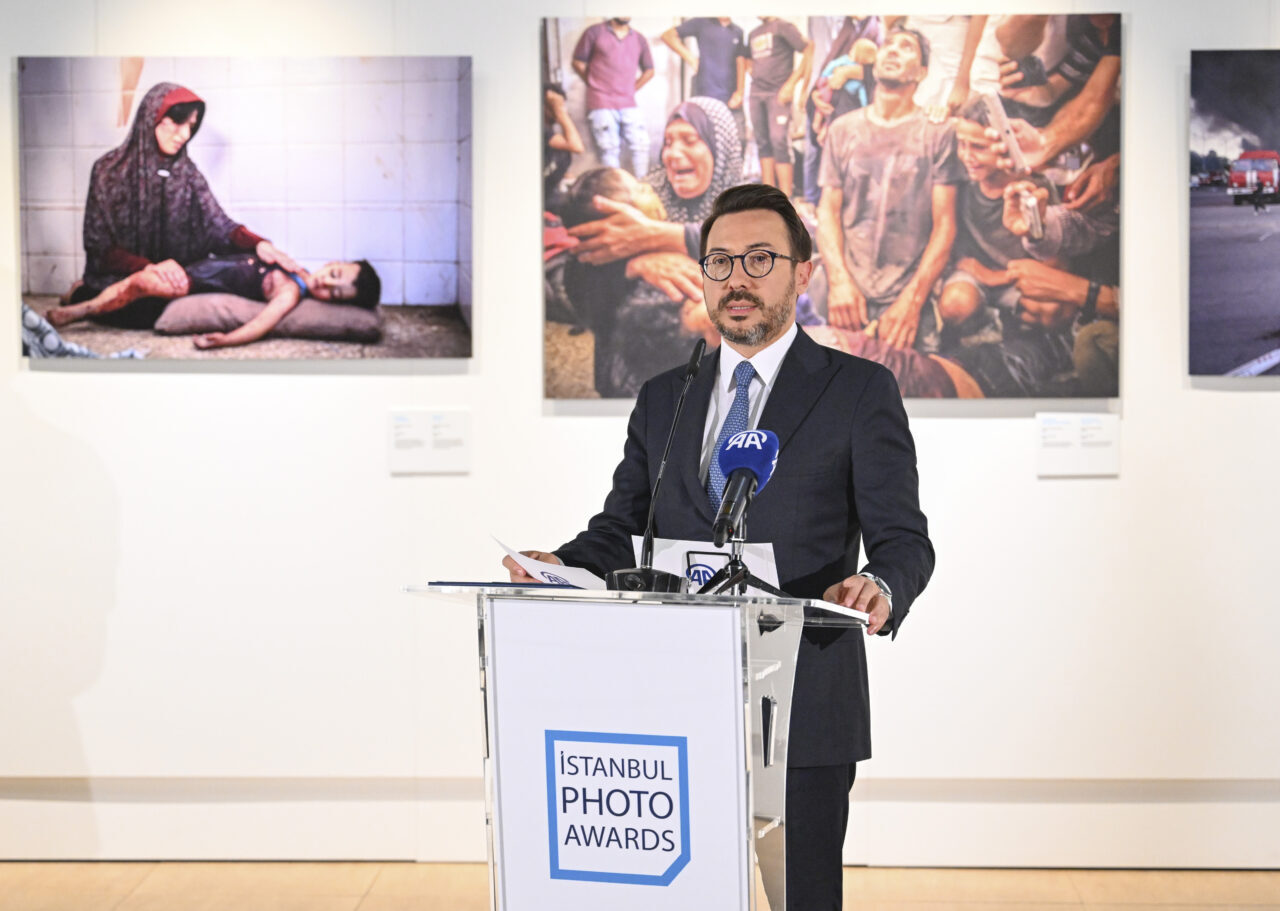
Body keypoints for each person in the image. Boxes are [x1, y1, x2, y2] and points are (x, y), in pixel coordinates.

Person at [509, 183, 934, 909]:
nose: (737, 278)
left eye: (760, 258)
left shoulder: (859, 391)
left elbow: (904, 538)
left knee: (800, 897)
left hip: (802, 702)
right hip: (677, 700)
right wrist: (566, 561)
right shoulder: (663, 397)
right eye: (720, 262)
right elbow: (625, 523)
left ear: (804, 272)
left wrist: (881, 585)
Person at [66, 82, 300, 329]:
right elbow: (99, 248)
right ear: (152, 117)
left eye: (191, 126)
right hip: (123, 278)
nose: (185, 135)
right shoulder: (108, 171)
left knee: (240, 271)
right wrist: (150, 267)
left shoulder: (188, 174)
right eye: (178, 123)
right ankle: (81, 296)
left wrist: (258, 244)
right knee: (141, 309)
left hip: (173, 280)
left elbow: (219, 226)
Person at [816, 27, 966, 352]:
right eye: (887, 45)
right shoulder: (842, 130)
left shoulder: (936, 134)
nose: (893, 50)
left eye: (907, 46)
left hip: (906, 293)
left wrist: (912, 301)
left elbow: (945, 224)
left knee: (906, 390)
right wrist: (839, 281)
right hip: (846, 289)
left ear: (922, 72)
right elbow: (827, 210)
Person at [48, 253, 380, 350]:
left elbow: (262, 323)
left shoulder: (291, 292)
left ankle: (78, 310)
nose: (326, 284)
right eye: (335, 273)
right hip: (202, 263)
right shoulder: (297, 267)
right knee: (123, 284)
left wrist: (225, 340)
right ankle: (81, 292)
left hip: (196, 283)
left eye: (334, 294)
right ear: (334, 260)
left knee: (140, 283)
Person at [572, 18, 655, 177]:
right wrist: (594, 83)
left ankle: (644, 187)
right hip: (601, 103)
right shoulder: (594, 32)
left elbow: (650, 70)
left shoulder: (638, 38)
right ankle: (615, 191)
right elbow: (578, 62)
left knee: (641, 146)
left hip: (628, 102)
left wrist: (631, 89)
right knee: (609, 149)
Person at [746, 17, 813, 197]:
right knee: (762, 141)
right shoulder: (753, 33)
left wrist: (793, 84)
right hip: (756, 93)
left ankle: (785, 197)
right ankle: (769, 196)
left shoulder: (784, 26)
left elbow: (809, 49)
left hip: (778, 93)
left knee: (779, 141)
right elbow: (747, 61)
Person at [661, 17, 749, 146]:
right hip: (705, 96)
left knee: (738, 140)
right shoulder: (702, 23)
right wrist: (690, 58)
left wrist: (740, 92)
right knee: (704, 140)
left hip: (731, 99)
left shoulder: (737, 31)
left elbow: (741, 61)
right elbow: (668, 36)